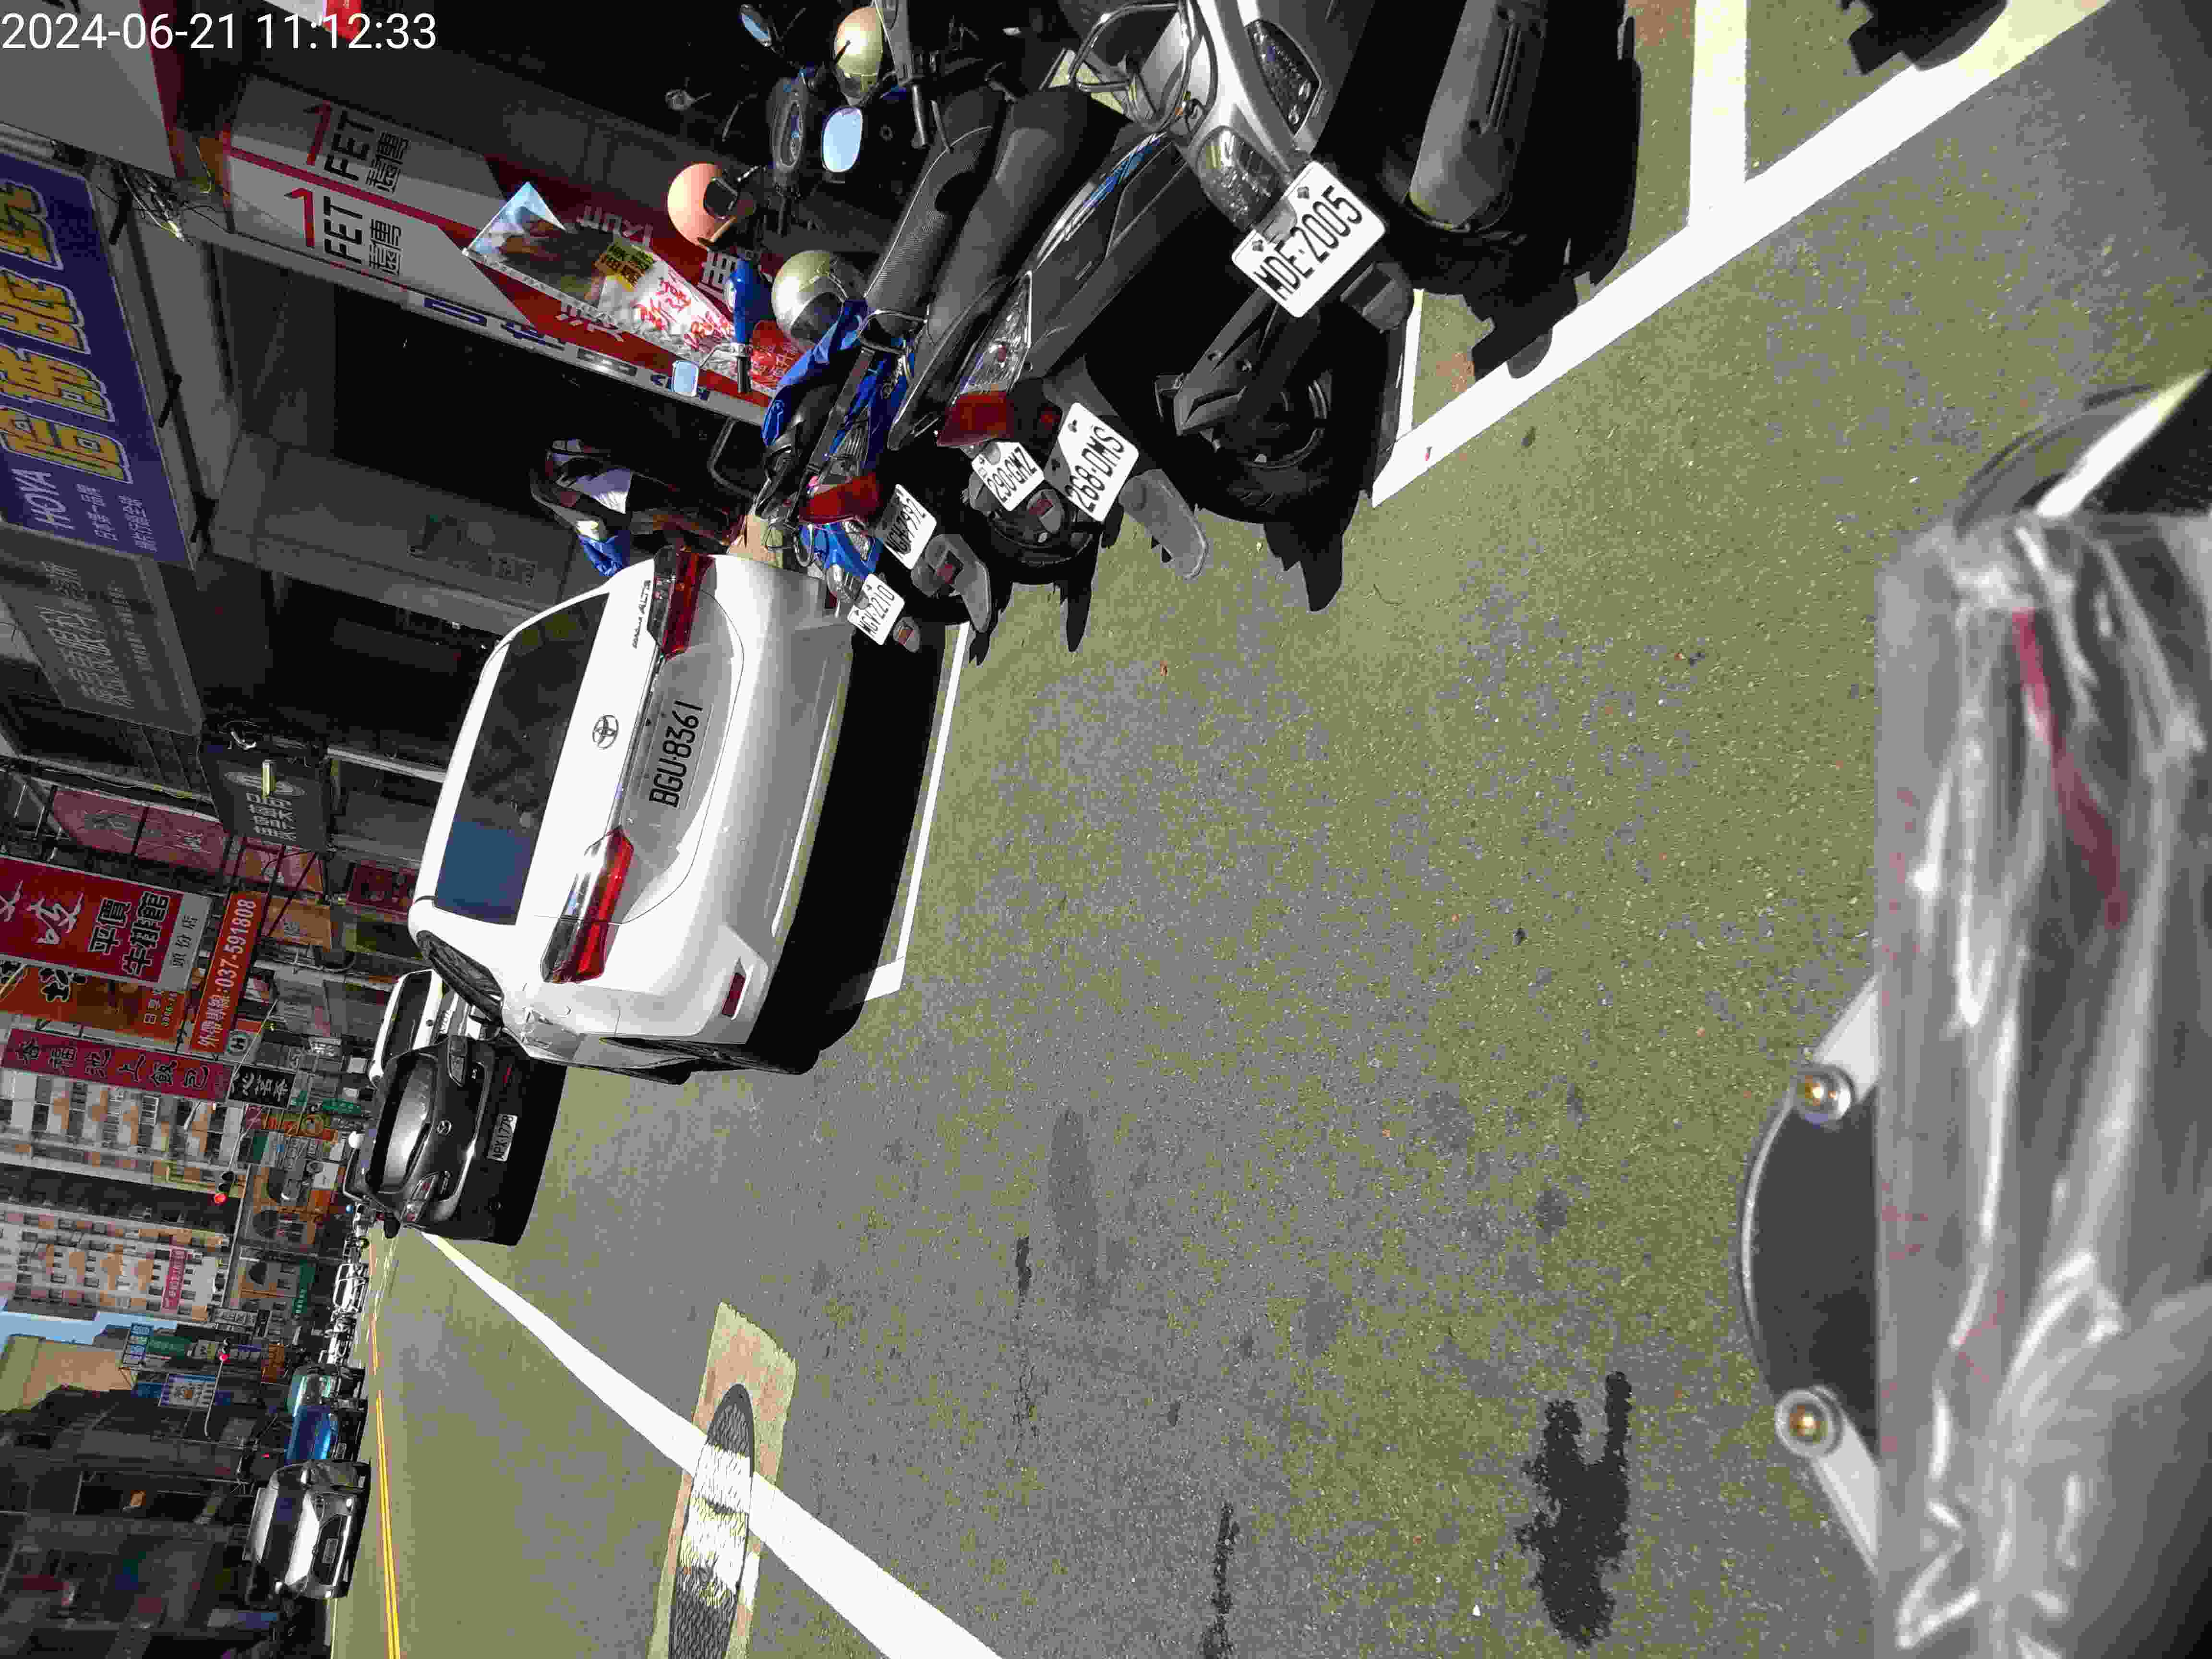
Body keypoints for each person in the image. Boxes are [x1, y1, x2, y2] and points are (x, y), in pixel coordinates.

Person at [529, 440, 796, 576]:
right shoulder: (558, 461)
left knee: (674, 514)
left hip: (621, 495)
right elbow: (592, 456)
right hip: (621, 493)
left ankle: (719, 536)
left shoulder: (555, 472)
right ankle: (724, 533)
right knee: (676, 511)